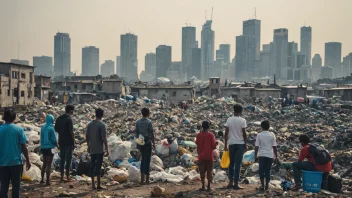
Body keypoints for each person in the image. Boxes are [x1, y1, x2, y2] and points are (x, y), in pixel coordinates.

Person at [0, 109, 31, 198]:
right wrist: (28, 160)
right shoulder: (18, 129)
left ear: (4, 118)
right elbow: (24, 147)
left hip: (2, 163)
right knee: (16, 187)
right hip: (16, 163)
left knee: (3, 186)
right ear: (14, 118)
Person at [224, 104, 247, 189]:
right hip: (240, 144)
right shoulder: (243, 120)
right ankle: (236, 183)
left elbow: (226, 133)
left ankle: (230, 182)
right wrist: (245, 145)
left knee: (231, 163)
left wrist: (225, 145)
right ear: (241, 111)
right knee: (238, 164)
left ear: (233, 110)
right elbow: (244, 134)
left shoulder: (229, 119)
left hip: (231, 144)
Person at [86, 108, 109, 190]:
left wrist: (88, 145)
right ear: (102, 115)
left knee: (92, 165)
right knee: (98, 166)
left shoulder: (90, 124)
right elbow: (104, 138)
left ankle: (93, 184)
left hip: (92, 148)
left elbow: (87, 136)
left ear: (95, 114)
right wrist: (107, 148)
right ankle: (98, 185)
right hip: (99, 149)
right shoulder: (102, 125)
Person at [254, 121, 278, 191]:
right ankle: (267, 186)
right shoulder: (272, 135)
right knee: (268, 171)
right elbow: (274, 147)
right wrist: (276, 156)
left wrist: (255, 156)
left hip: (261, 155)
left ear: (261, 127)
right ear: (269, 127)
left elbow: (256, 147)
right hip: (270, 155)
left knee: (261, 170)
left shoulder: (259, 135)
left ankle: (262, 186)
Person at [135, 107, 155, 184]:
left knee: (142, 160)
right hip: (147, 143)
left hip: (140, 143)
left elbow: (136, 134)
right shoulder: (149, 122)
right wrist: (153, 143)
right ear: (147, 113)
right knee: (147, 160)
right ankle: (147, 179)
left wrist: (138, 144)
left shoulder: (138, 122)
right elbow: (151, 134)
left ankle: (142, 179)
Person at [55, 104, 75, 182]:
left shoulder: (59, 118)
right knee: (68, 159)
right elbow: (71, 132)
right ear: (70, 111)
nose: (73, 112)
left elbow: (56, 129)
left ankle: (61, 177)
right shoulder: (68, 119)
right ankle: (67, 176)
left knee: (62, 159)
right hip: (69, 141)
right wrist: (74, 142)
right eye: (73, 110)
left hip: (61, 141)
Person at [196, 121, 216, 192]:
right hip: (209, 156)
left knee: (202, 172)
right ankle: (209, 187)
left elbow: (197, 144)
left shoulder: (198, 135)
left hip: (201, 156)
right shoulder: (211, 135)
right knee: (209, 172)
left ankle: (203, 186)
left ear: (202, 126)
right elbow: (213, 146)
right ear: (209, 127)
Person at [40, 114, 57, 185]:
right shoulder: (51, 128)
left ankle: (42, 180)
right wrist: (56, 144)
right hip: (50, 148)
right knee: (49, 164)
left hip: (43, 147)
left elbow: (41, 137)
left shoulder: (42, 127)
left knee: (44, 163)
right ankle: (47, 181)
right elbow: (53, 139)